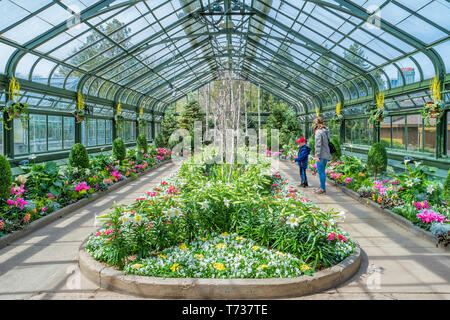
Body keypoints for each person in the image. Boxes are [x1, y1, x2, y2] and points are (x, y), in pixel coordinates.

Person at [313, 117, 331, 195]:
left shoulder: (319, 132)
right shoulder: (325, 131)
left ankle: (322, 189)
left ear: (316, 123)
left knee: (321, 172)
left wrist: (317, 156)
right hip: (326, 153)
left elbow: (318, 145)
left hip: (321, 154)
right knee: (322, 171)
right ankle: (321, 187)